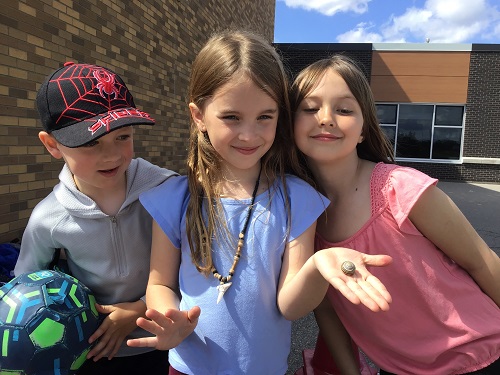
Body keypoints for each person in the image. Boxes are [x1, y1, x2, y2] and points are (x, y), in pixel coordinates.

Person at [126, 30, 392, 375]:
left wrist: (319, 265)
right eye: (231, 117)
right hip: (187, 368)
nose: (249, 135)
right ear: (198, 116)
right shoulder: (175, 198)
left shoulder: (298, 199)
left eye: (265, 117)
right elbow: (159, 283)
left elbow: (290, 306)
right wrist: (168, 317)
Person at [290, 54, 500, 374]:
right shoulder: (302, 218)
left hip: (480, 356)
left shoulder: (399, 188)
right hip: (401, 368)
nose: (326, 118)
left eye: (344, 109)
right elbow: (329, 313)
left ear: (363, 129)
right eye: (310, 108)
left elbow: (482, 260)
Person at [14, 62, 177, 375]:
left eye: (123, 137)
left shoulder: (165, 189)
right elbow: (24, 293)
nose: (112, 155)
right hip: (89, 350)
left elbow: (193, 267)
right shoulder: (47, 218)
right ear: (51, 145)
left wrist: (140, 308)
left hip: (164, 341)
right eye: (90, 143)